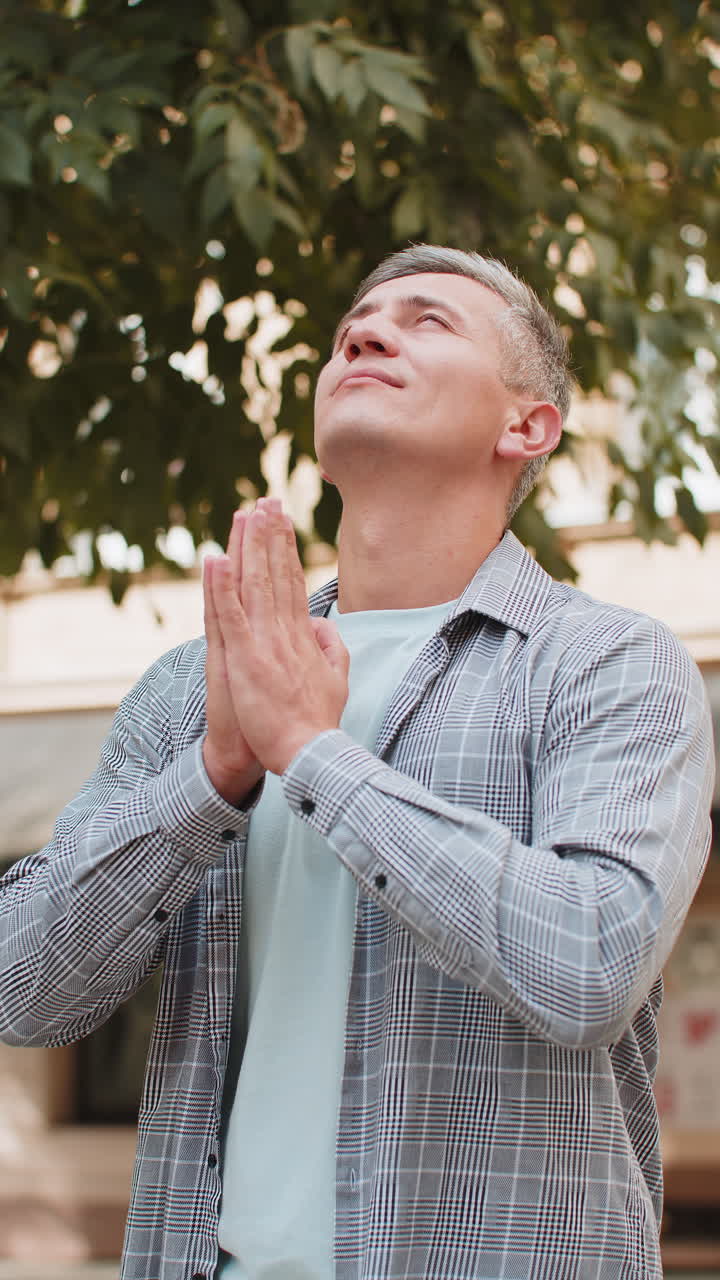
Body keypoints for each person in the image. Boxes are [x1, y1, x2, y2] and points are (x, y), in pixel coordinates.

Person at [0, 244, 714, 1280]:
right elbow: (24, 985)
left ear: (528, 426)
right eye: (354, 329)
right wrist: (211, 776)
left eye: (428, 321)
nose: (365, 335)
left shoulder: (607, 663)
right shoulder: (193, 685)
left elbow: (591, 958)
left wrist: (315, 755)